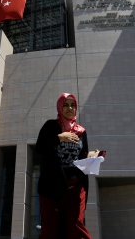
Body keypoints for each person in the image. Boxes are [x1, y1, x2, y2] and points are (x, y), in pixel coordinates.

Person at [36, 93, 96, 239]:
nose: (70, 108)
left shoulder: (81, 131)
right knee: (50, 229)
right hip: (51, 186)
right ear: (59, 107)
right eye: (66, 105)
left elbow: (82, 156)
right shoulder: (51, 126)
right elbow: (39, 149)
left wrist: (91, 157)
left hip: (75, 187)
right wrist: (58, 138)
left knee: (76, 225)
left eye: (73, 105)